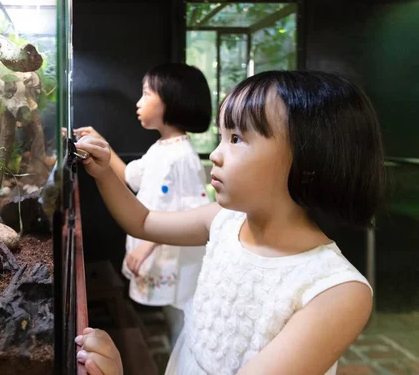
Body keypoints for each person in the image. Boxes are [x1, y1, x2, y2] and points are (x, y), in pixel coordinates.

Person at [74, 70, 385, 375]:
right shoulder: (225, 220)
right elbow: (143, 221)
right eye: (221, 137)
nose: (217, 155)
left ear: (310, 160)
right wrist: (103, 174)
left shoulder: (337, 292)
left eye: (236, 138)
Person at [74, 63, 212, 344]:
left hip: (170, 252)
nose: (139, 102)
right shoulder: (161, 148)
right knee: (174, 317)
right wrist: (102, 145)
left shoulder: (183, 156)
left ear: (171, 101)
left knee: (184, 319)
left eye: (147, 94)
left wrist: (146, 245)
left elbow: (193, 213)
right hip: (159, 248)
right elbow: (129, 176)